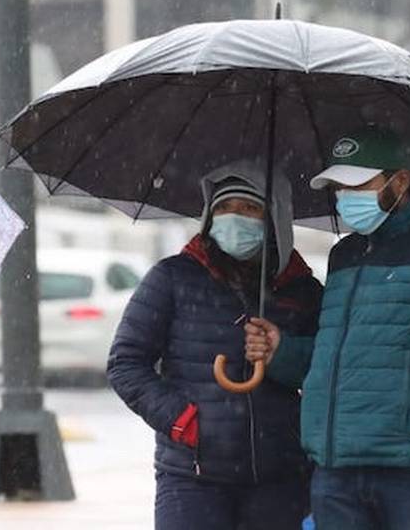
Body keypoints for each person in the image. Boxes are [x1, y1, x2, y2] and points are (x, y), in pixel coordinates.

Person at [245, 130, 410, 530]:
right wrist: (281, 351)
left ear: (399, 182)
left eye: (357, 185)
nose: (344, 197)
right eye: (338, 187)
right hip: (337, 477)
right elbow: (340, 361)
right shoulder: (345, 255)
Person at [108, 161, 323, 530]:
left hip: (281, 478)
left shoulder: (303, 292)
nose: (233, 218)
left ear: (273, 220)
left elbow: (327, 371)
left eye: (249, 209)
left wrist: (281, 353)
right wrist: (182, 420)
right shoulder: (173, 278)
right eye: (223, 208)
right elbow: (126, 363)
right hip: (192, 479)